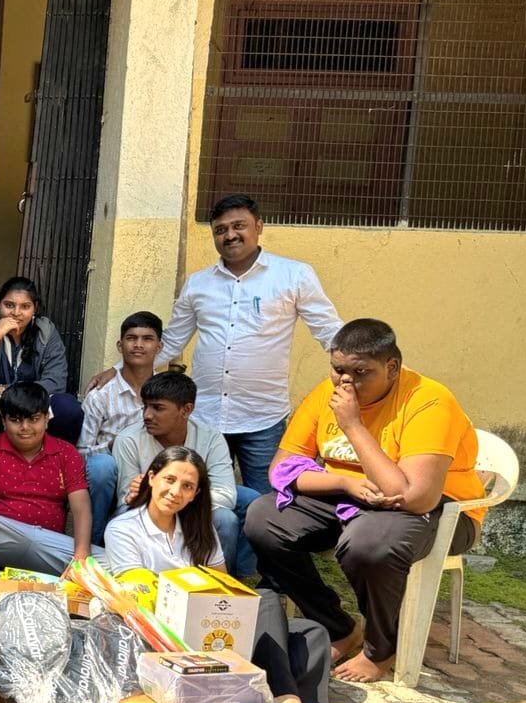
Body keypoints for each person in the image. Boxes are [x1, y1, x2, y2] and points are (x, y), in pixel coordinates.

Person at [247, 319, 484, 684]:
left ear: (392, 368)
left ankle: (380, 648)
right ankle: (338, 627)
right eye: (338, 369)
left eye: (361, 373)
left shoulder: (429, 401)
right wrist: (344, 480)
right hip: (354, 494)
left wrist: (353, 425)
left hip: (442, 509)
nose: (346, 382)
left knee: (368, 544)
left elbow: (413, 496)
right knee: (263, 518)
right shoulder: (325, 394)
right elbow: (281, 468)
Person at [106, 448, 358, 703]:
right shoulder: (124, 529)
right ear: (152, 478)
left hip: (215, 628)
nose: (175, 492)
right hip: (165, 633)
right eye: (169, 480)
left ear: (196, 494)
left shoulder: (199, 529)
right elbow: (139, 595)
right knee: (267, 600)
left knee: (311, 632)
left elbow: (225, 588)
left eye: (187, 486)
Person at [93, 194, 342, 496]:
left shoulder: (293, 275)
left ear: (258, 226)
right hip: (205, 418)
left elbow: (328, 330)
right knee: (195, 500)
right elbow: (171, 341)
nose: (230, 235)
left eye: (239, 226)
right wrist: (120, 370)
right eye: (220, 230)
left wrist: (356, 371)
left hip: (262, 418)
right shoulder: (198, 284)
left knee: (265, 503)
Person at [111, 372, 259, 578]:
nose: (147, 415)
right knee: (122, 515)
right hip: (151, 508)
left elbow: (226, 495)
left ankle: (233, 580)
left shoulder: (211, 438)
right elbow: (127, 499)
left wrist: (178, 497)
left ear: (186, 410)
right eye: (145, 406)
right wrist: (155, 496)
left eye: (158, 408)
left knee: (244, 506)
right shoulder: (129, 439)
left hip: (192, 502)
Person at [0, 383, 92, 577]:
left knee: (109, 563)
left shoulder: (66, 452)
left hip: (49, 544)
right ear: (4, 421)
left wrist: (81, 554)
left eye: (34, 419)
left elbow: (81, 507)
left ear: (46, 419)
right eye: (16, 420)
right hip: (6, 540)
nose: (25, 428)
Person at [0, 277, 82, 445]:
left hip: (37, 401)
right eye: (9, 305)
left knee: (68, 408)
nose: (16, 312)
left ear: (35, 308)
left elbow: (56, 382)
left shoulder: (47, 333)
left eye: (25, 306)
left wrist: (3, 389)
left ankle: (54, 458)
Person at [81, 311, 163, 543]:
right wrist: (112, 446)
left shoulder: (167, 392)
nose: (138, 345)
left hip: (153, 471)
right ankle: (94, 543)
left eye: (147, 339)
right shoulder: (101, 394)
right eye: (131, 338)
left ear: (159, 346)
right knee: (101, 466)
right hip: (111, 473)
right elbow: (81, 453)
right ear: (120, 345)